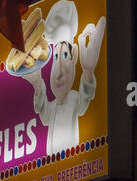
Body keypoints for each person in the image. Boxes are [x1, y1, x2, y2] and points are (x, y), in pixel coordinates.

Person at [19, 1, 105, 155]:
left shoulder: (73, 100)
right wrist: (37, 84)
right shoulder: (51, 108)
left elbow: (85, 101)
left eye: (65, 55)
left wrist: (88, 71)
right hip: (51, 171)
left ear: (75, 56)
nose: (58, 72)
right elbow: (43, 114)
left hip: (75, 164)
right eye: (56, 57)